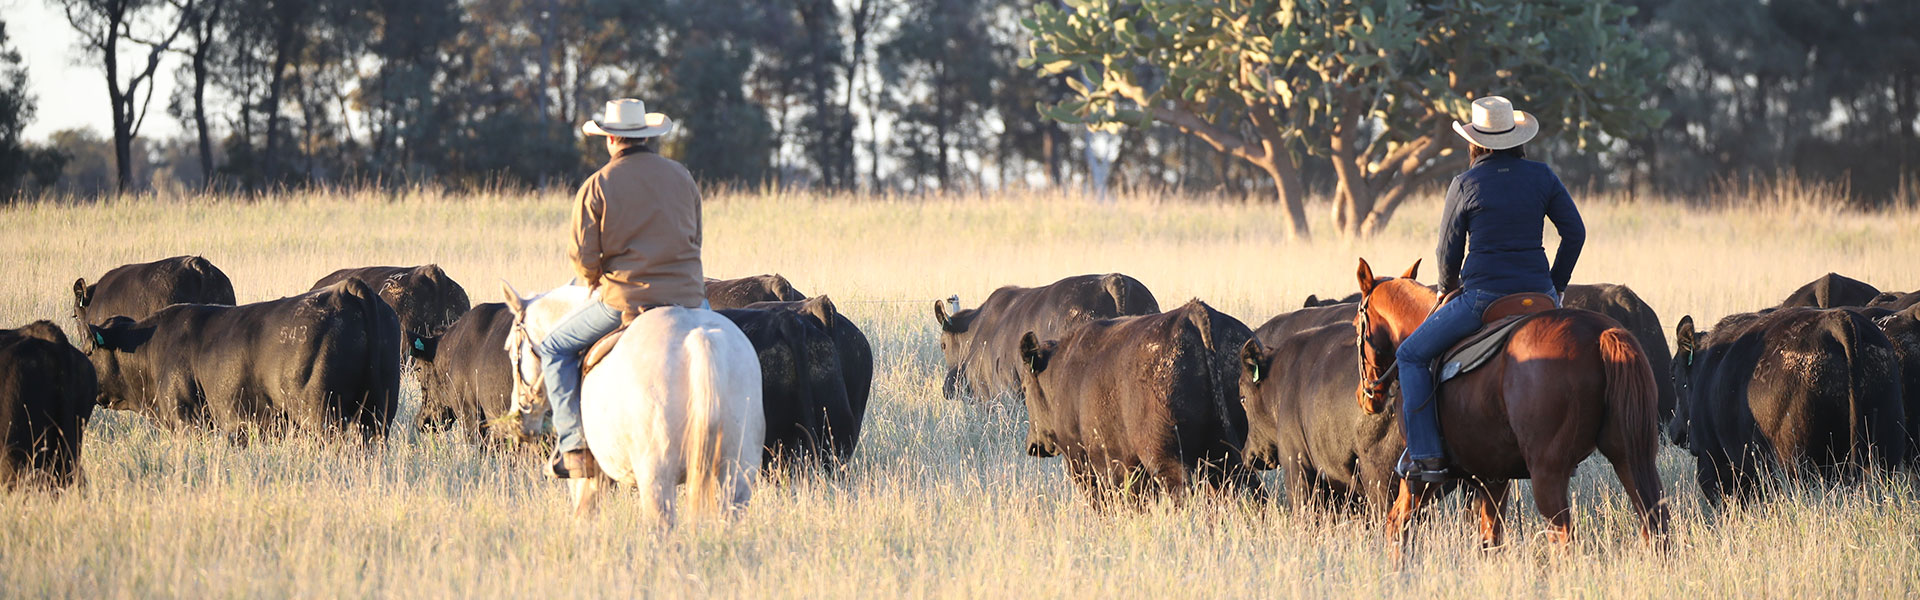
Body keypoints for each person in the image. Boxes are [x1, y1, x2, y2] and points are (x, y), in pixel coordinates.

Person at [1394, 96, 1585, 483]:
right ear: (1516, 138)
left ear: (1474, 143)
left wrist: (1447, 289)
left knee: (1410, 355)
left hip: (1482, 299)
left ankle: (1426, 456)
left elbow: (1446, 250)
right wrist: (1556, 286)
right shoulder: (1543, 176)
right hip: (1539, 297)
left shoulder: (1465, 183)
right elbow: (1575, 233)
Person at [538, 98, 708, 478]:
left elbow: (583, 258)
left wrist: (596, 278)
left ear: (611, 138)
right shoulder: (682, 176)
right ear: (646, 136)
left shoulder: (597, 185)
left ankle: (574, 448)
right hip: (690, 299)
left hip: (625, 301)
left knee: (553, 349)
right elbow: (695, 237)